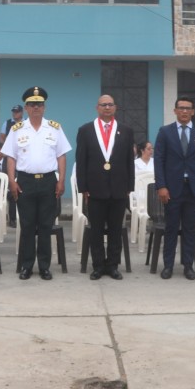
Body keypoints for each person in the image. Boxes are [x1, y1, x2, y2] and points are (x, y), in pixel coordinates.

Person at [1, 86, 70, 280]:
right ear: (26, 107)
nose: (36, 108)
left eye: (39, 104)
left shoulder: (55, 128)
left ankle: (44, 266)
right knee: (28, 225)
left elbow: (61, 156)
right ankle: (27, 266)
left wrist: (61, 180)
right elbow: (11, 158)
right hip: (25, 182)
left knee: (46, 226)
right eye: (32, 104)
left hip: (48, 181)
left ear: (44, 107)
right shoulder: (17, 130)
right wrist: (12, 181)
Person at [75, 95, 135, 280]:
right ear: (97, 107)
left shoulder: (126, 131)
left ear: (115, 107)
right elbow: (81, 160)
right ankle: (98, 266)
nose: (107, 107)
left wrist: (129, 187)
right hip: (95, 189)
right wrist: (83, 187)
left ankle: (113, 265)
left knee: (116, 230)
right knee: (96, 230)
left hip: (118, 188)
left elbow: (129, 162)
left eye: (110, 105)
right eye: (103, 105)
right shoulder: (86, 130)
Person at [153, 97, 195, 281]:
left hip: (193, 189)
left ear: (193, 111)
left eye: (188, 108)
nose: (184, 111)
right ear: (175, 111)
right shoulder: (165, 132)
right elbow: (159, 161)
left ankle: (188, 265)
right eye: (181, 108)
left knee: (189, 229)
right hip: (171, 189)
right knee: (171, 228)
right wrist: (161, 186)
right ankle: (168, 266)